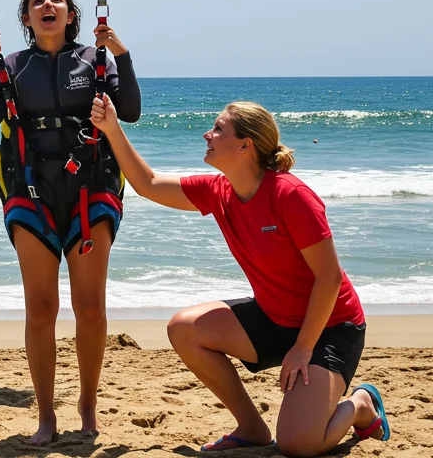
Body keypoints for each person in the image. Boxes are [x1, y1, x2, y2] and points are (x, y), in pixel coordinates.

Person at [89, 95, 391, 456]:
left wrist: (303, 348)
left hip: (329, 328)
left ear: (246, 145)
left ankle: (360, 404)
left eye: (218, 129)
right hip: (274, 318)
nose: (207, 135)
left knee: (298, 444)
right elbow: (148, 183)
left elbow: (329, 280)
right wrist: (112, 128)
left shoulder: (290, 195)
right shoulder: (218, 191)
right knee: (184, 328)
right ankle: (251, 427)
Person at [0, 0, 141, 445]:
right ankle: (46, 415)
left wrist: (122, 56)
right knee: (41, 309)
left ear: (71, 14)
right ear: (26, 18)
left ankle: (87, 402)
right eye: (37, 1)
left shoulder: (95, 60)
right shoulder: (11, 66)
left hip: (91, 184)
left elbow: (130, 113)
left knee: (90, 307)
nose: (47, 4)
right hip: (31, 188)